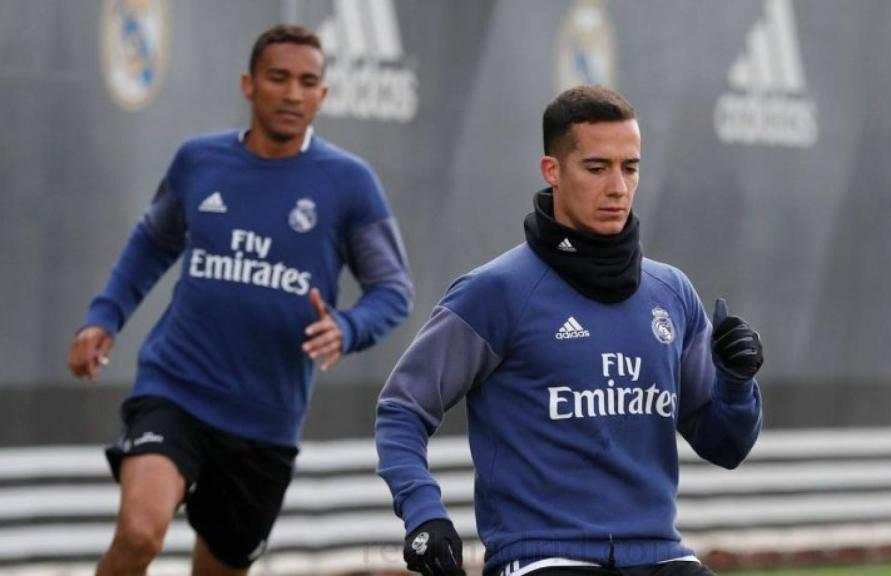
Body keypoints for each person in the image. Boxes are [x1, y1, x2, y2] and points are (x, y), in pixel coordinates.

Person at [66, 24, 413, 576]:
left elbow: (392, 290)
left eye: (307, 82)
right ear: (249, 85)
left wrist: (348, 328)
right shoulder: (199, 162)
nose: (292, 94)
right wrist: (104, 317)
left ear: (324, 95)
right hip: (175, 388)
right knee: (138, 532)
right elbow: (152, 242)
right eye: (278, 77)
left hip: (265, 420)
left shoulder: (349, 183)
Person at [375, 85, 763, 576]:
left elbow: (727, 446)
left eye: (631, 167)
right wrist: (423, 512)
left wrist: (736, 381)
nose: (618, 186)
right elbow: (401, 409)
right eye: (597, 168)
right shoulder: (495, 291)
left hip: (661, 554)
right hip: (542, 557)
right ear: (552, 171)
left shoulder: (672, 292)